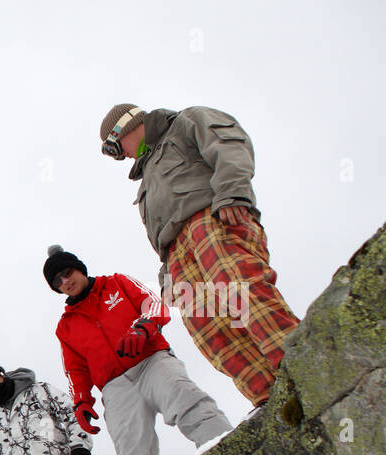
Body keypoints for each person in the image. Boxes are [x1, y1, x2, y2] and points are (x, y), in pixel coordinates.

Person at [98, 103, 300, 407]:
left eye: (115, 148)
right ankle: (270, 397)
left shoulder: (183, 124)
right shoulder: (146, 184)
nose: (120, 158)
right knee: (208, 326)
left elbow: (229, 145)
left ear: (124, 128)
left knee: (241, 294)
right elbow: (159, 238)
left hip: (211, 221)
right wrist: (167, 277)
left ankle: (301, 367)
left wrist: (232, 192)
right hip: (177, 253)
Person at [43, 245, 233, 455]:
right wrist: (82, 401)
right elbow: (75, 370)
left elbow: (153, 303)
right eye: (57, 281)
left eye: (67, 273)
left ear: (79, 269)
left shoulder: (117, 283)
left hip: (151, 362)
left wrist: (144, 326)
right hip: (115, 388)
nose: (65, 281)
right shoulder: (66, 326)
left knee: (191, 405)